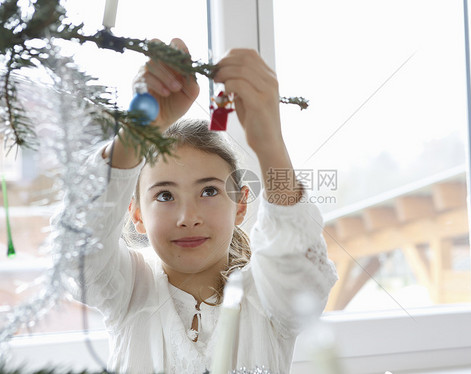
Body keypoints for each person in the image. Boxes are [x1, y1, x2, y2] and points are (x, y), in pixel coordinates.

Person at [71, 38, 338, 373]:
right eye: (165, 196)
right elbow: (80, 250)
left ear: (240, 205)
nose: (188, 218)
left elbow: (301, 271)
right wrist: (135, 135)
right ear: (137, 215)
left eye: (209, 191)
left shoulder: (266, 296)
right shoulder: (128, 289)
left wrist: (269, 143)